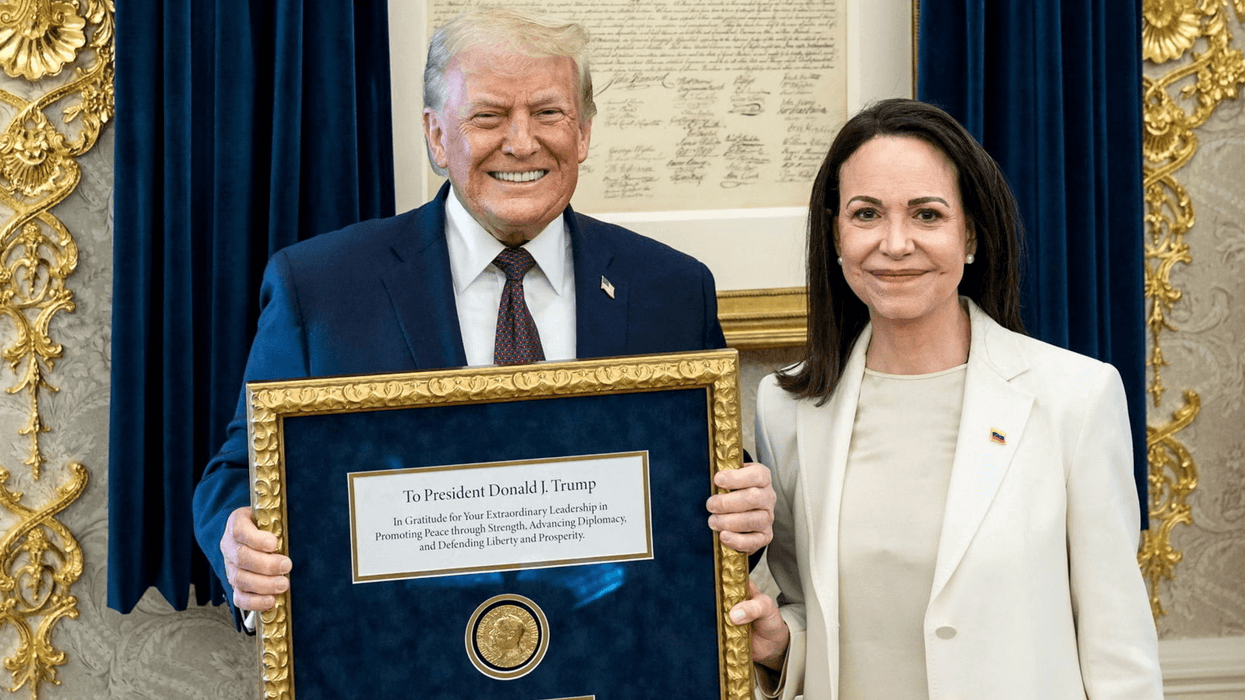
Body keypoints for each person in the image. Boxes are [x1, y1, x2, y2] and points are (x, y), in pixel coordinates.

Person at [192, 7, 774, 624]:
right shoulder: (321, 288)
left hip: (614, 656)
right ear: (437, 136)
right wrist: (239, 541)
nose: (522, 143)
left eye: (549, 113)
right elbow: (241, 472)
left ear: (583, 132)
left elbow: (707, 483)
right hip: (399, 657)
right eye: (489, 116)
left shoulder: (671, 289)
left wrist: (746, 514)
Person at [735, 99, 1162, 699]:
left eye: (927, 215)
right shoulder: (786, 405)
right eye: (866, 214)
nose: (895, 243)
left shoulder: (1076, 399)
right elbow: (809, 605)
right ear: (835, 234)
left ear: (972, 237)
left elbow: (1120, 652)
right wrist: (783, 645)